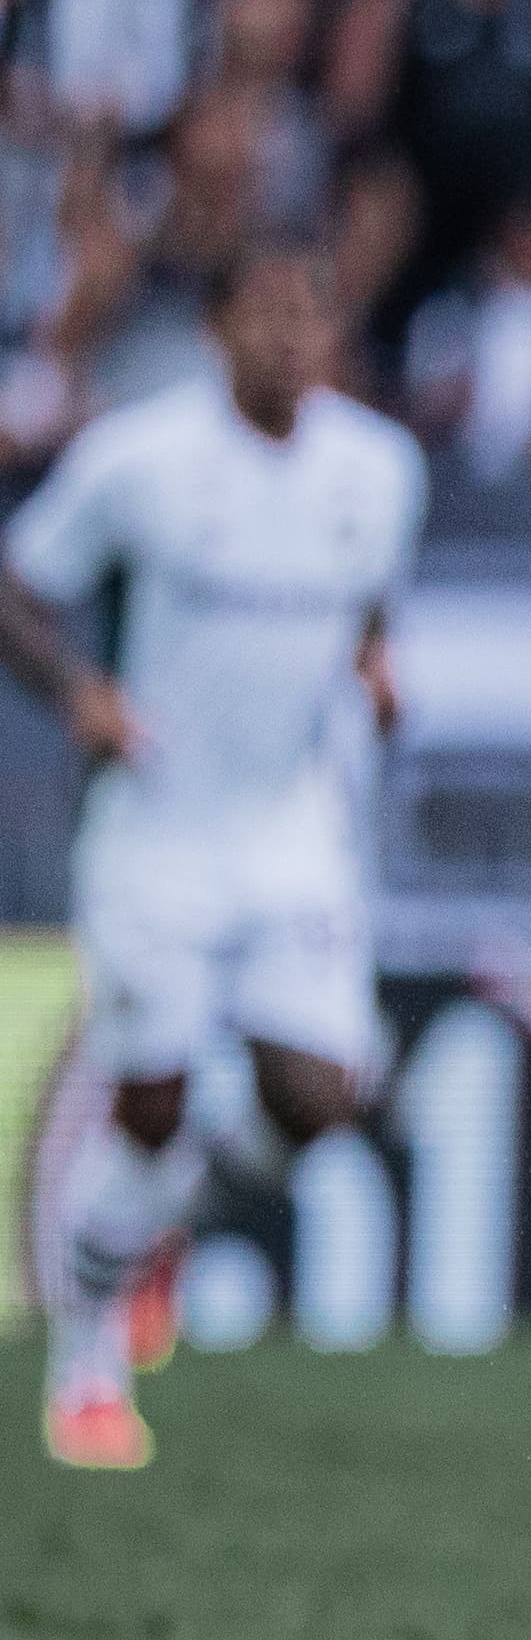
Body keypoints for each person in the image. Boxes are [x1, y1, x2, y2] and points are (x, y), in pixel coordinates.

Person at [0, 241, 425, 1470]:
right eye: (266, 314)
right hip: (158, 828)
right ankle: (87, 1362)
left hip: (292, 831)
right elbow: (18, 585)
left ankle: (162, 1232)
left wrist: (377, 673)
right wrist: (78, 692)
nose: (290, 337)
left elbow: (370, 611)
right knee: (153, 1106)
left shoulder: (378, 470)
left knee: (317, 1099)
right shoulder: (140, 460)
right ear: (218, 328)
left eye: (310, 315)